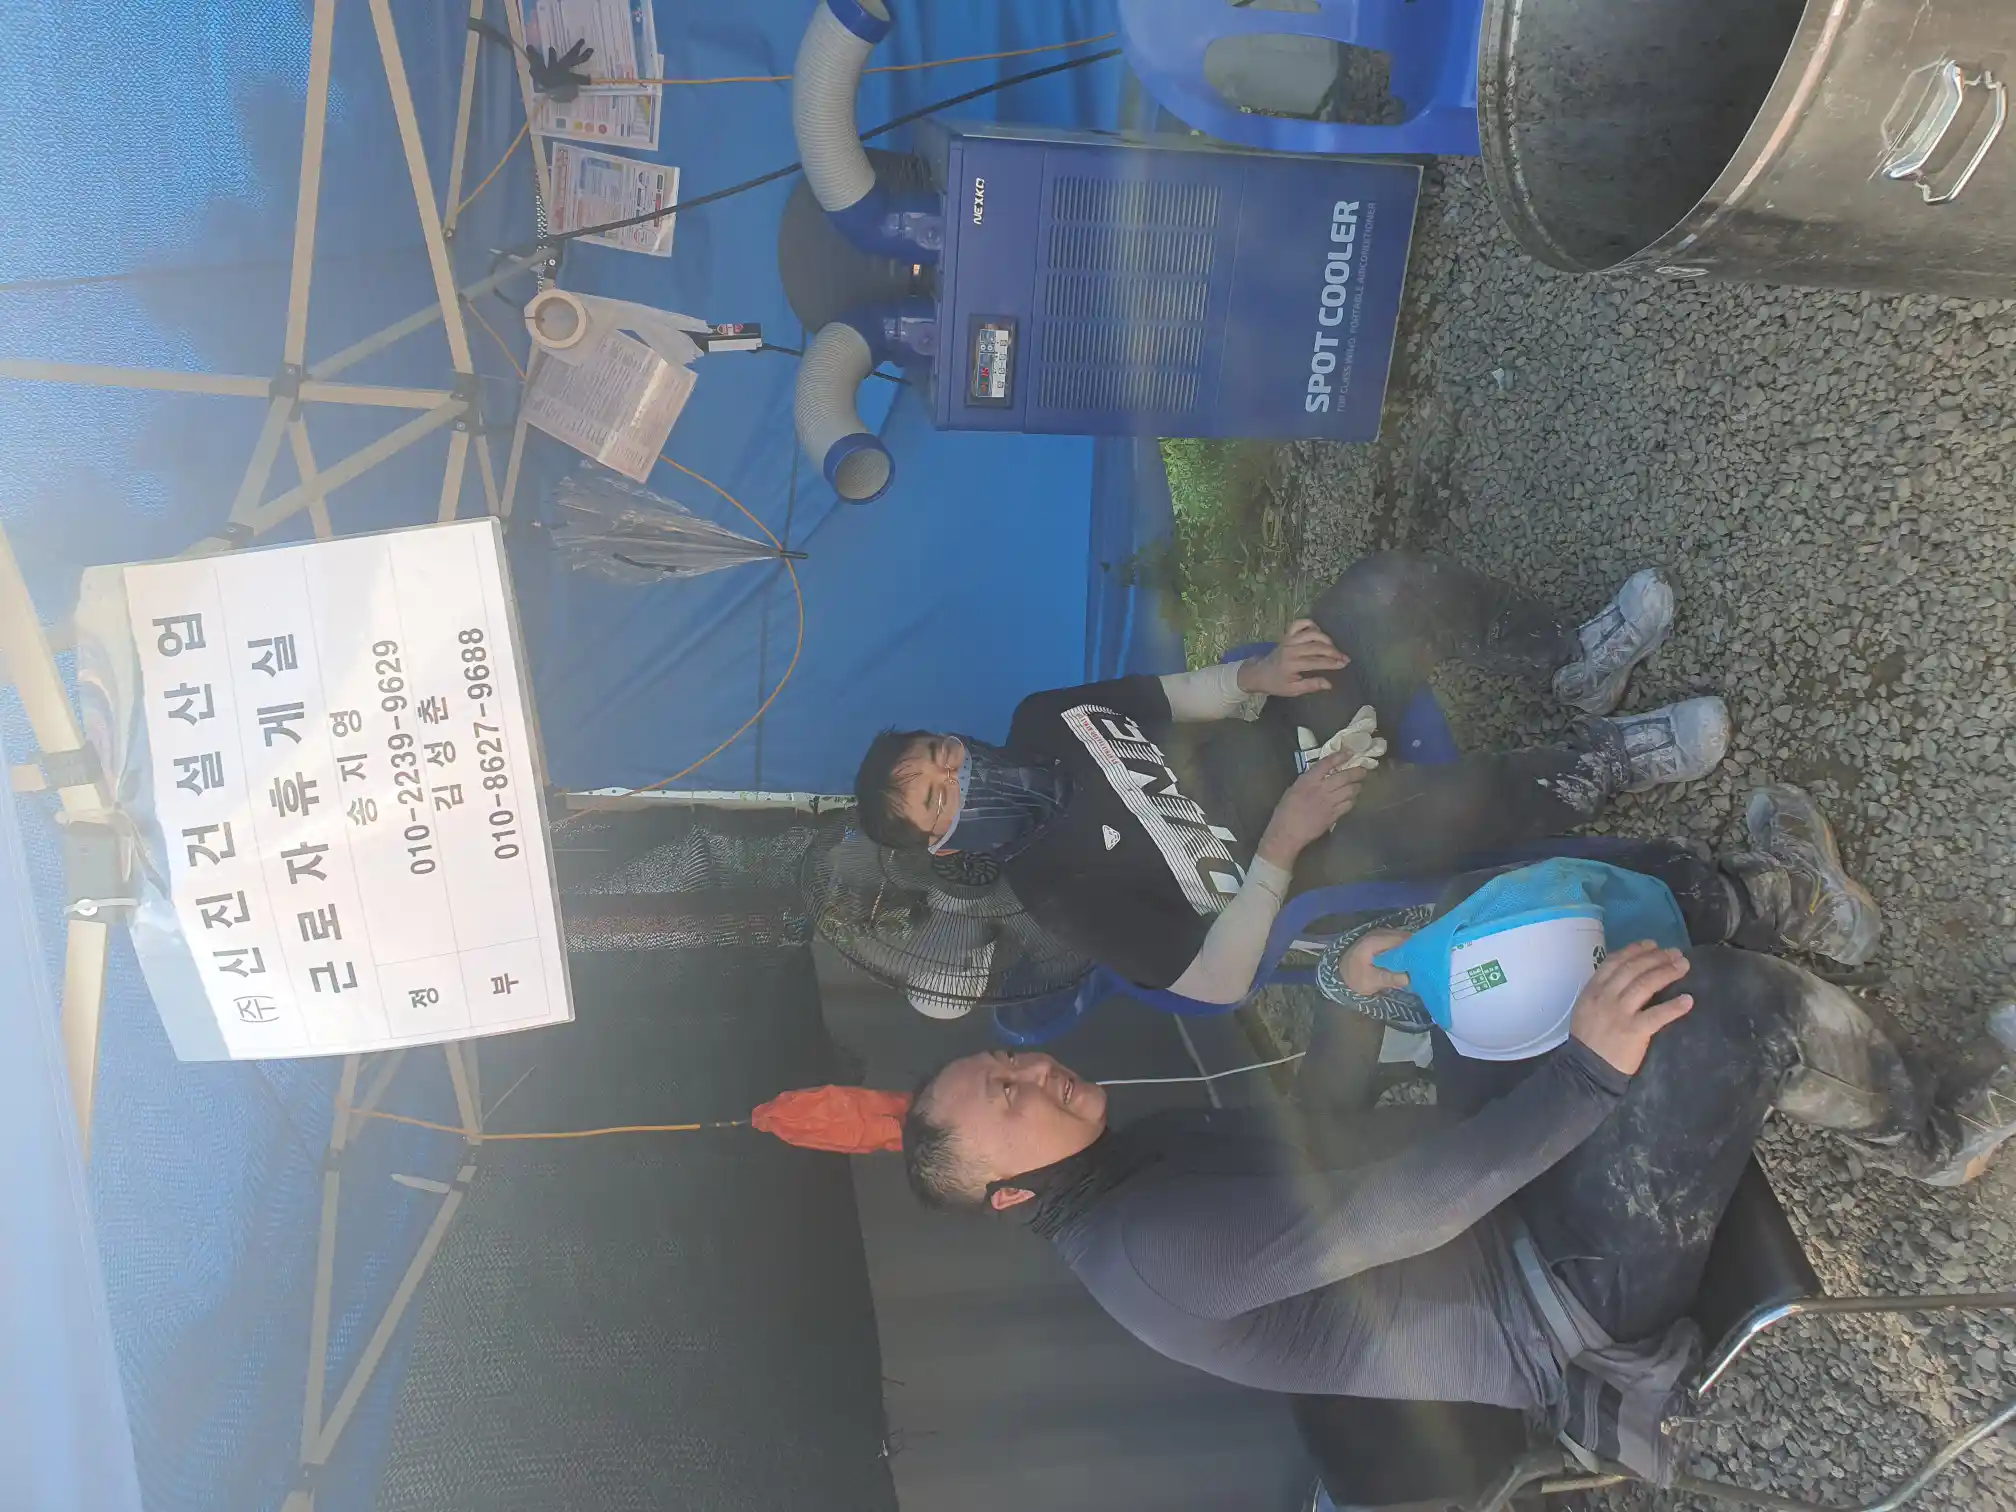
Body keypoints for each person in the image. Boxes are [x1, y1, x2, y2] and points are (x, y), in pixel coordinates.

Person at [897, 945, 2016, 1483]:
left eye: (1010, 1063)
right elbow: (1403, 1215)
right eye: (1009, 1099)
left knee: (1502, 951)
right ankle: (1937, 1140)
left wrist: (1363, 990)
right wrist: (1585, 1072)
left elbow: (1320, 1128)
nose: (1035, 1074)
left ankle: (1771, 915)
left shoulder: (1123, 1162)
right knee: (1725, 1007)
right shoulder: (1148, 1251)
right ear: (1010, 1194)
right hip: (1561, 1298)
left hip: (1500, 1202)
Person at [852, 552, 1731, 1000]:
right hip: (1313, 853)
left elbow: (1169, 694)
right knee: (1426, 812)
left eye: (943, 752)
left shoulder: (1043, 718)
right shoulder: (1056, 893)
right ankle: (1605, 762)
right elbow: (1214, 983)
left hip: (1291, 734)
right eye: (938, 795)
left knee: (1383, 590)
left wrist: (1258, 675)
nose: (958, 772)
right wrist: (1283, 840)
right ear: (945, 842)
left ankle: (1570, 660)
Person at [1315, 783, 1883, 1061]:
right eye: (1384, 982)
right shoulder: (1466, 926)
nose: (1395, 971)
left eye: (1374, 961)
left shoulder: (1473, 1039)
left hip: (1676, 1007)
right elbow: (1571, 887)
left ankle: (1770, 937)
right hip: (1650, 933)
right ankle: (1794, 897)